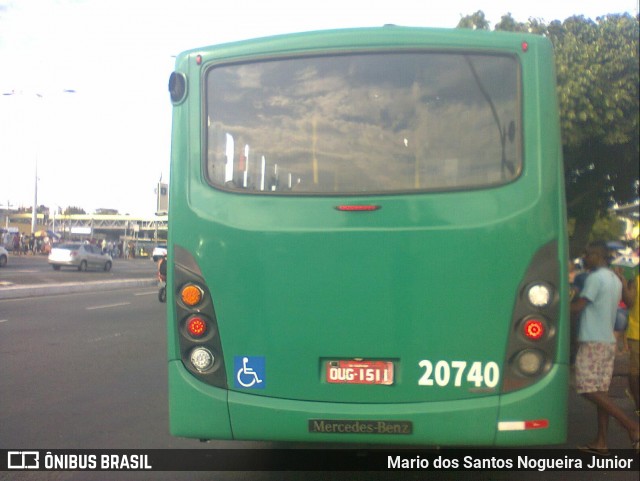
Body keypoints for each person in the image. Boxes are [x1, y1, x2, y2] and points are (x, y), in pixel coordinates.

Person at [571, 241, 639, 454]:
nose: (584, 257)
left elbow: (579, 307)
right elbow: (628, 303)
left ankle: (632, 427)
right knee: (601, 392)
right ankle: (601, 442)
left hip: (593, 341)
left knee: (586, 388)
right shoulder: (613, 278)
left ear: (597, 255)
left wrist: (555, 305)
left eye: (587, 253)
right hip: (608, 341)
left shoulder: (595, 278)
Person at [618, 271, 639, 417]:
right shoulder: (637, 280)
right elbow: (629, 302)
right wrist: (625, 285)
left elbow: (629, 302)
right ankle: (638, 405)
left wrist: (625, 285)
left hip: (636, 334)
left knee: (635, 371)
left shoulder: (636, 280)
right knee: (635, 371)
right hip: (637, 334)